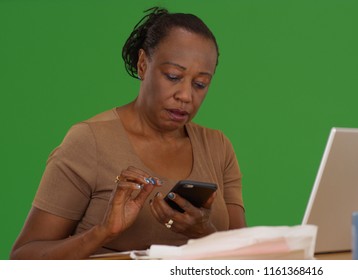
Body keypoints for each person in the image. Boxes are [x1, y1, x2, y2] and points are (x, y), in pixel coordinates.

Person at [10, 6, 246, 259]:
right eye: (173, 76)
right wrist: (103, 232)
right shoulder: (89, 141)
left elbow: (249, 258)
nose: (186, 96)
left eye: (200, 84)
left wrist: (204, 232)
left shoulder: (217, 147)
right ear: (143, 64)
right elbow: (23, 259)